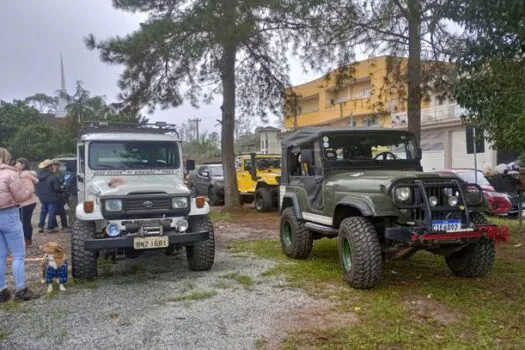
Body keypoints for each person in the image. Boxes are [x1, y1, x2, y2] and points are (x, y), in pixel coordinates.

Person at [0, 148, 37, 302]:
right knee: (18, 255)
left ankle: (1, 291)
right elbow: (21, 196)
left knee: (0, 255)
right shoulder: (10, 174)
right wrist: (29, 187)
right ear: (7, 158)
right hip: (9, 215)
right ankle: (21, 289)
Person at [14, 158, 38, 247]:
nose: (16, 165)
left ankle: (28, 240)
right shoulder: (20, 174)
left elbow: (31, 189)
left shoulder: (25, 175)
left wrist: (21, 198)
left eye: (17, 164)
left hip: (27, 202)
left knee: (25, 222)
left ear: (23, 165)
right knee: (23, 221)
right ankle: (26, 240)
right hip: (24, 202)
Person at [35, 159, 62, 233]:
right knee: (51, 212)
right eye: (52, 165)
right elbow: (57, 188)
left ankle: (41, 226)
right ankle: (50, 227)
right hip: (52, 197)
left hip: (42, 197)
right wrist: (62, 190)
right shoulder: (52, 176)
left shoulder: (38, 175)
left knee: (43, 211)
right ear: (49, 166)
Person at [51, 161, 68, 231]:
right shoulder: (50, 174)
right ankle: (54, 225)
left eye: (57, 165)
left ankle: (64, 225)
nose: (56, 166)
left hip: (60, 194)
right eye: (55, 165)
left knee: (62, 211)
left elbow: (65, 182)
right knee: (52, 211)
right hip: (52, 194)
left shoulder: (62, 174)